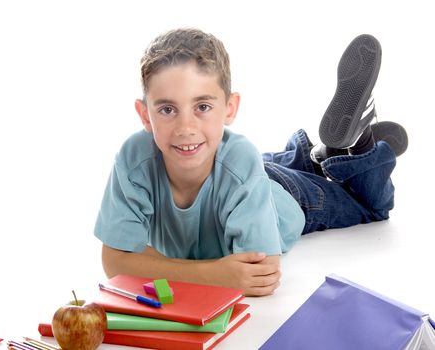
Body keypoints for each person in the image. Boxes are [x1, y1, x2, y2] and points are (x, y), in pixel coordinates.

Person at [94, 28, 408, 296]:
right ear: (143, 114)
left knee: (368, 207)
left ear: (230, 109)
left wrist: (155, 267)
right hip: (237, 168)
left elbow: (260, 273)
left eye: (202, 106)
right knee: (254, 162)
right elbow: (115, 262)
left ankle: (360, 146)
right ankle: (318, 157)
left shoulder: (237, 162)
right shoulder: (134, 159)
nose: (185, 128)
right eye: (167, 109)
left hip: (288, 200)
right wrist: (216, 274)